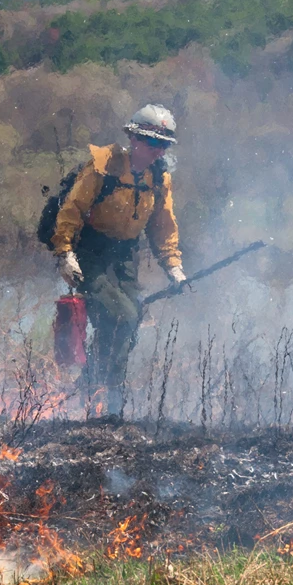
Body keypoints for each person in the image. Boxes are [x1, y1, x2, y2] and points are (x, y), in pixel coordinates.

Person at [50, 105, 186, 418]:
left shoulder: (159, 177)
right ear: (134, 138)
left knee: (129, 322)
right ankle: (106, 396)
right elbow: (71, 209)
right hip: (91, 253)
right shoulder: (103, 166)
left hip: (125, 255)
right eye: (152, 143)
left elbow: (164, 225)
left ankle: (98, 392)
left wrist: (173, 266)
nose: (157, 151)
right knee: (121, 315)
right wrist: (66, 254)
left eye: (163, 145)